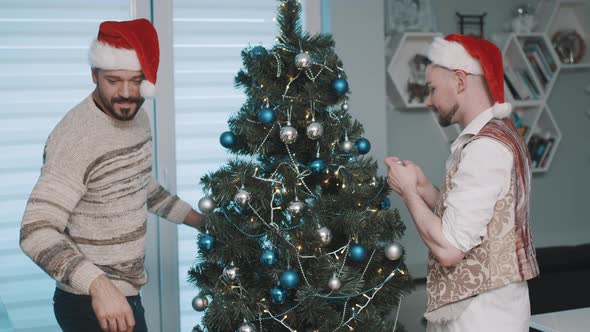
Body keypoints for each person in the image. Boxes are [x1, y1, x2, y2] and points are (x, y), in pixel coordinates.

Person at [19, 19, 204, 332]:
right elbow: (35, 231)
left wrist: (200, 221)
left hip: (127, 295)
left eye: (136, 81)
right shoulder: (76, 139)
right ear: (94, 74)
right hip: (89, 302)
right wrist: (99, 286)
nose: (127, 93)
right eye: (114, 80)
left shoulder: (137, 117)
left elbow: (137, 184)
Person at [384, 34, 539, 331]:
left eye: (432, 89)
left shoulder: (485, 149)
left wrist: (408, 193)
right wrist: (424, 188)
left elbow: (449, 249)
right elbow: (471, 219)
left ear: (459, 81)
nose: (428, 100)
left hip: (480, 319)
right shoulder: (495, 135)